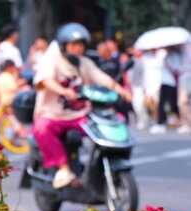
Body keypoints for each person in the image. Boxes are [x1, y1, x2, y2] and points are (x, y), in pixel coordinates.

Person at [33, 23, 130, 188]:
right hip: (53, 114)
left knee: (115, 121)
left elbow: (102, 78)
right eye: (74, 45)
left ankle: (101, 165)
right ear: (64, 46)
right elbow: (45, 80)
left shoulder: (84, 63)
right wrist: (63, 91)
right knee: (41, 128)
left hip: (81, 115)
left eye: (81, 45)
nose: (78, 49)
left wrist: (122, 91)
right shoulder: (52, 60)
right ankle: (63, 169)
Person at [150, 46, 182, 134]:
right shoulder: (163, 55)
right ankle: (161, 122)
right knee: (162, 103)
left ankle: (181, 120)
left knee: (173, 103)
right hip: (163, 81)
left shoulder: (175, 55)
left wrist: (168, 64)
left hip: (172, 82)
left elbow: (177, 68)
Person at [129, 48, 149, 130]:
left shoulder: (145, 60)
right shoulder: (132, 61)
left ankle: (144, 120)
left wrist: (146, 87)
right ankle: (141, 120)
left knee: (140, 104)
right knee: (135, 104)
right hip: (134, 86)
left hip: (142, 86)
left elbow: (146, 74)